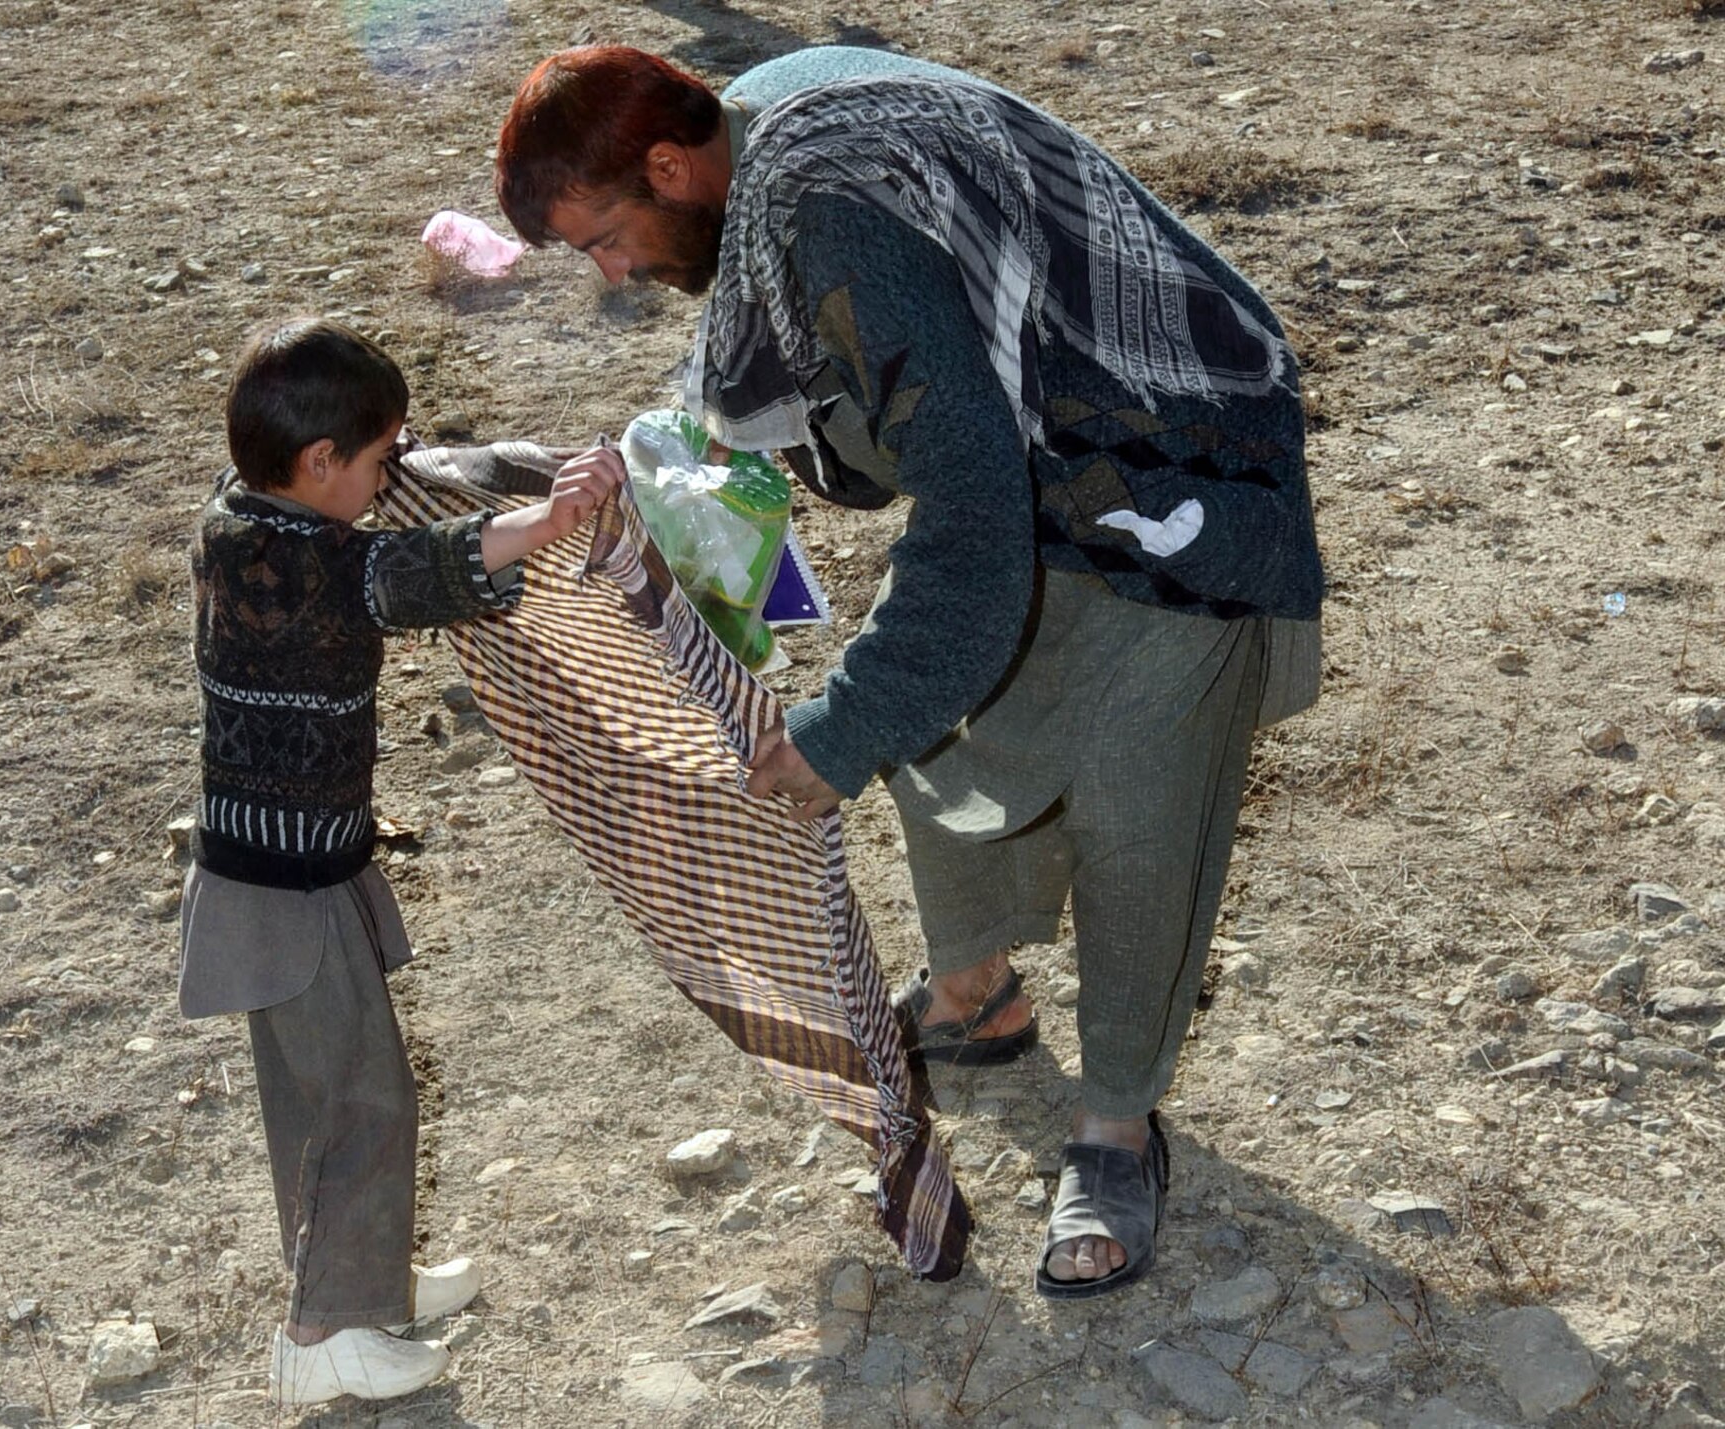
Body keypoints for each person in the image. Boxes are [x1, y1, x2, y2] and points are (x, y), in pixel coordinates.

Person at [494, 47, 1323, 1299]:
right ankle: (975, 995)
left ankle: (1110, 1128)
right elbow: (892, 427)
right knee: (948, 719)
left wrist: (836, 734)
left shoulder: (824, 208)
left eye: (608, 237)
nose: (615, 273)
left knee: (1138, 794)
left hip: (1174, 448)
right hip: (1058, 442)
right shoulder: (762, 117)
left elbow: (972, 520)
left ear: (670, 166)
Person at [179, 317, 622, 1404]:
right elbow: (416, 571)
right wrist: (555, 514)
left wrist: (493, 476)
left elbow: (392, 543)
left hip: (267, 871)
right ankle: (325, 1332)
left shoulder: (233, 520)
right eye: (378, 462)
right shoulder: (321, 566)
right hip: (291, 894)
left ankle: (361, 1277)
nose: (389, 481)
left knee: (319, 1097)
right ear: (319, 463)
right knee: (365, 1103)